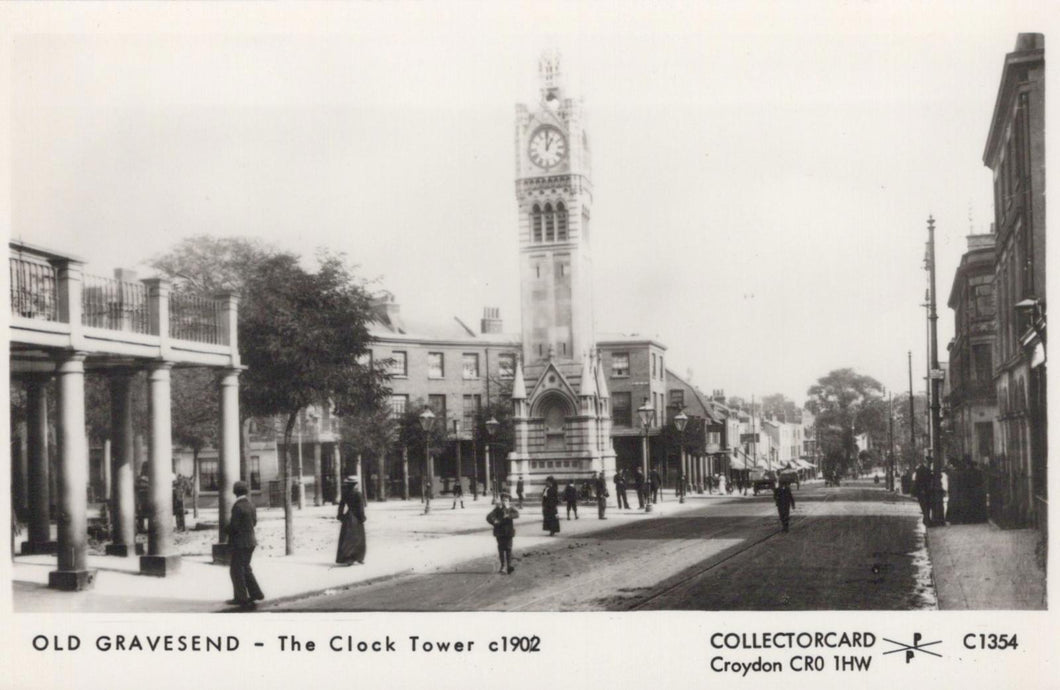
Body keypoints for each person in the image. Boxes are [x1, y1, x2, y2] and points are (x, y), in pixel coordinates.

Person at [227, 481, 264, 609]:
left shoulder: (237, 506)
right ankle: (256, 593)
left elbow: (234, 527)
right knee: (245, 568)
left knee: (236, 570)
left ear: (234, 492)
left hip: (240, 543)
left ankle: (241, 598)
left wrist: (226, 529)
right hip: (251, 541)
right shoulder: (251, 505)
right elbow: (254, 522)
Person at [336, 476, 367, 565]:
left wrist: (340, 515)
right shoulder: (358, 494)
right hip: (356, 517)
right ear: (355, 484)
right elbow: (360, 508)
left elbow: (341, 505)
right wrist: (362, 517)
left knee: (347, 538)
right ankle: (359, 557)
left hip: (348, 517)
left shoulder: (345, 494)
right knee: (359, 538)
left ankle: (348, 558)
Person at [486, 493, 520, 574]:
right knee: (501, 549)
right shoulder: (498, 509)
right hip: (499, 532)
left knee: (509, 548)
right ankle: (503, 566)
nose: (505, 502)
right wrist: (494, 521)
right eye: (503, 500)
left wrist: (508, 515)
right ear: (501, 501)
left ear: (509, 501)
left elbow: (517, 514)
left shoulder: (511, 508)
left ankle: (509, 566)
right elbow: (488, 517)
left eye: (506, 500)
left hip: (508, 532)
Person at [912, 461, 932, 526]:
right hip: (926, 490)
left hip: (922, 491)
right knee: (927, 505)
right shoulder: (926, 470)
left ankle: (926, 519)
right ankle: (927, 519)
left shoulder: (919, 470)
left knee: (924, 505)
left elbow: (917, 481)